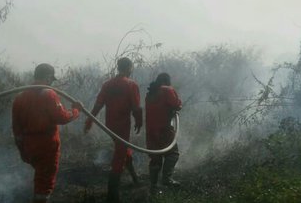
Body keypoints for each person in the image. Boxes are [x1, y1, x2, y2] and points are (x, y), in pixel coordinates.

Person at [12, 63, 83, 203]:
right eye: (51, 79)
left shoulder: (19, 97)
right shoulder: (48, 94)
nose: (51, 82)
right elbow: (62, 117)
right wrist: (76, 111)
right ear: (47, 77)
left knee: (40, 176)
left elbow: (16, 129)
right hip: (47, 145)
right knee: (44, 183)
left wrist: (22, 150)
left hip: (29, 145)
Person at [84, 57, 142, 203]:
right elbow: (136, 107)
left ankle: (135, 178)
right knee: (119, 154)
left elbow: (98, 104)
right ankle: (112, 194)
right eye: (131, 67)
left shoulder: (107, 84)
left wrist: (89, 120)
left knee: (123, 149)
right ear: (129, 67)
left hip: (110, 125)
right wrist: (139, 121)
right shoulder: (131, 84)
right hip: (123, 125)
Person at [145, 73, 182, 194]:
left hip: (151, 133)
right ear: (167, 81)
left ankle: (153, 186)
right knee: (173, 154)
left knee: (155, 159)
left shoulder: (149, 94)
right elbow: (177, 105)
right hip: (164, 130)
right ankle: (167, 179)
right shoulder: (167, 90)